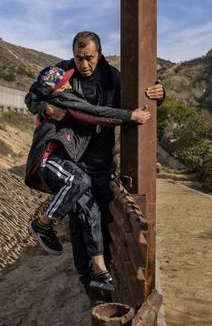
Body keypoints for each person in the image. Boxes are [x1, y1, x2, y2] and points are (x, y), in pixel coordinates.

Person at [25, 31, 164, 295]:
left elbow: (137, 99)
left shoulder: (113, 78)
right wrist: (44, 109)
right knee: (79, 221)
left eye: (89, 58)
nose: (84, 65)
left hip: (100, 161)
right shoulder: (62, 74)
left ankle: (105, 273)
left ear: (99, 54)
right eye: (79, 59)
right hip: (71, 158)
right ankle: (88, 279)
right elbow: (32, 97)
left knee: (98, 216)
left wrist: (159, 93)